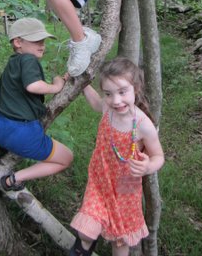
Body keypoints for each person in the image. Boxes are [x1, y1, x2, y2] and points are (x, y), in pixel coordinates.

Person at [69, 58, 165, 256]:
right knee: (85, 231)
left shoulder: (142, 124)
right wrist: (82, 81)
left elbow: (158, 156)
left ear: (135, 88)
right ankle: (84, 246)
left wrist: (148, 167)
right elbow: (96, 103)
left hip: (125, 187)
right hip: (99, 178)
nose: (116, 100)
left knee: (120, 241)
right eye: (108, 94)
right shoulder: (107, 108)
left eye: (122, 92)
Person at [0, 17, 73, 192]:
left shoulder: (13, 63)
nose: (41, 45)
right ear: (18, 42)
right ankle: (12, 179)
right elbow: (33, 86)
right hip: (22, 133)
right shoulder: (28, 59)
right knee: (66, 158)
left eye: (42, 41)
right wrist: (57, 86)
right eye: (36, 41)